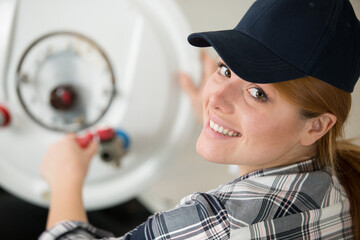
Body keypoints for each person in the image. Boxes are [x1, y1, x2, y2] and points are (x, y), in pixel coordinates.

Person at [39, 0, 360, 239]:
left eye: (258, 93)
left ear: (316, 125)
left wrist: (65, 180)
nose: (216, 98)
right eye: (225, 70)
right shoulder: (336, 183)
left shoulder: (220, 221)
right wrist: (230, 122)